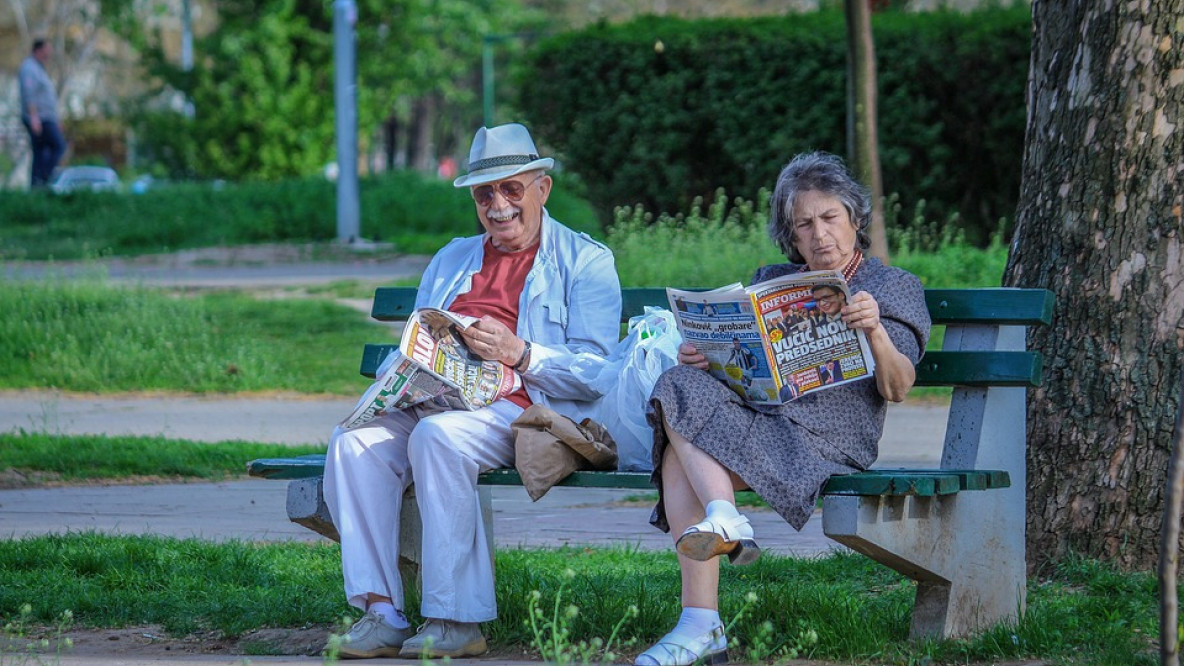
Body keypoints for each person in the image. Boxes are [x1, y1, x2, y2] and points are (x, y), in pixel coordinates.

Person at [322, 123, 622, 660]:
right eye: (485, 194)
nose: (499, 204)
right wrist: (403, 375)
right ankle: (382, 612)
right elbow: (417, 337)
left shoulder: (586, 261)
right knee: (353, 442)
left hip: (523, 410)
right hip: (439, 400)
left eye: (513, 189)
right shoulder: (451, 258)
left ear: (542, 189)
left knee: (439, 438)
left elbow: (598, 373)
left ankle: (456, 620)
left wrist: (520, 353)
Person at [636, 152, 930, 666]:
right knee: (677, 382)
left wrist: (876, 330)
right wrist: (708, 357)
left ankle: (700, 621)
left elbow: (899, 386)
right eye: (804, 225)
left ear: (854, 219)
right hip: (764, 422)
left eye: (829, 217)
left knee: (677, 456)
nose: (820, 235)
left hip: (828, 442)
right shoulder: (774, 280)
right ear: (791, 237)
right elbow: (744, 369)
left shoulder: (890, 287)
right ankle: (724, 524)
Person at [18, 39, 66, 189]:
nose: (49, 54)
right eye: (47, 50)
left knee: (40, 152)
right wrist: (34, 118)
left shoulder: (39, 69)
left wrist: (56, 119)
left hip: (47, 117)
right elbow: (29, 94)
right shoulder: (29, 68)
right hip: (40, 118)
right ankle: (44, 178)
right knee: (58, 145)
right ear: (38, 50)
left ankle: (36, 186)